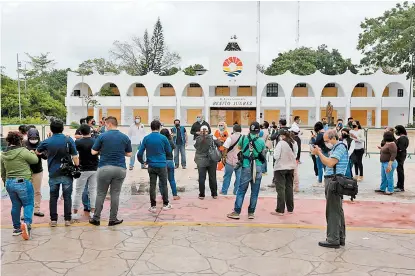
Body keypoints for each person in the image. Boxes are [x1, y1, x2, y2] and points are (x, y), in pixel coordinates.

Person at [89, 116, 132, 226]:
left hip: (105, 168)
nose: (104, 126)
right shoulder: (125, 137)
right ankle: (113, 219)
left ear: (109, 124)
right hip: (120, 168)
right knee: (115, 194)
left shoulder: (102, 136)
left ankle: (96, 218)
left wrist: (103, 151)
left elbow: (93, 152)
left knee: (101, 194)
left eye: (105, 124)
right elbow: (129, 154)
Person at [36, 119, 79, 227]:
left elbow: (37, 151)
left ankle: (54, 220)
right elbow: (75, 156)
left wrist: (46, 153)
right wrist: (77, 166)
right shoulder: (69, 140)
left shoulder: (47, 141)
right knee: (67, 196)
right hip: (67, 172)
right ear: (62, 128)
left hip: (53, 173)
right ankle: (67, 220)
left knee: (53, 196)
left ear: (51, 129)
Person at [311, 129, 349, 248]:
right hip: (335, 179)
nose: (326, 143)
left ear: (333, 138)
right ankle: (340, 237)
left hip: (333, 180)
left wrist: (319, 154)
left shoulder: (340, 147)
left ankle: (333, 239)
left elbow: (330, 163)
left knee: (332, 210)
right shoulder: (337, 147)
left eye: (327, 141)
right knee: (337, 210)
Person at [1, 131, 38, 240]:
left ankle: (16, 228)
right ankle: (26, 224)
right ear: (20, 140)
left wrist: (5, 182)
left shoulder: (3, 154)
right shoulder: (23, 151)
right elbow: (35, 160)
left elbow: (2, 171)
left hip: (9, 182)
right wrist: (31, 153)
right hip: (23, 182)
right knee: (28, 204)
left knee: (15, 205)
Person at [227, 122, 265, 220]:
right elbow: (263, 152)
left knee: (241, 191)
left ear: (249, 130)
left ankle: (236, 212)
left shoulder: (243, 138)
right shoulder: (261, 141)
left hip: (246, 166)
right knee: (255, 192)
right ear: (258, 131)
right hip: (258, 167)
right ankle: (251, 213)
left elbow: (239, 148)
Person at [137, 120, 172, 212]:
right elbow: (169, 151)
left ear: (151, 127)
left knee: (152, 185)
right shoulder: (163, 138)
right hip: (161, 164)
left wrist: (143, 162)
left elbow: (139, 153)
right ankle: (166, 204)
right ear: (159, 127)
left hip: (151, 165)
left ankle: (153, 206)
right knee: (164, 184)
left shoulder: (146, 138)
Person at [72, 124, 99, 220]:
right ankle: (92, 212)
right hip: (95, 168)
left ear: (80, 132)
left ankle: (75, 212)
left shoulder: (78, 142)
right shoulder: (95, 141)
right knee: (93, 190)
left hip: (83, 168)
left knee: (78, 191)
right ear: (90, 131)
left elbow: (74, 154)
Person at [272, 129, 298, 216]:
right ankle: (290, 208)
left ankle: (280, 210)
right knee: (289, 187)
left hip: (280, 168)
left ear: (282, 136)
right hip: (291, 168)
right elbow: (295, 155)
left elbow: (276, 156)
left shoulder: (280, 143)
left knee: (281, 189)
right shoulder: (294, 143)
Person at [24, 127, 47, 217]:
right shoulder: (24, 144)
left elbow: (46, 156)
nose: (33, 140)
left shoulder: (41, 144)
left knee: (37, 191)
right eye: (32, 139)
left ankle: (37, 209)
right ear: (28, 137)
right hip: (26, 171)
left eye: (35, 139)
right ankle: (26, 212)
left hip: (37, 171)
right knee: (25, 192)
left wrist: (40, 154)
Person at [194, 125, 220, 199]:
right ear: (208, 131)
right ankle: (214, 194)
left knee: (201, 178)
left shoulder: (198, 139)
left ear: (200, 131)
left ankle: (202, 195)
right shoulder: (212, 137)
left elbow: (195, 146)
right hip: (211, 160)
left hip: (201, 161)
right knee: (212, 177)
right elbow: (219, 144)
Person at [220, 124, 242, 195]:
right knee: (238, 177)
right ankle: (236, 191)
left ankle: (224, 191)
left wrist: (224, 157)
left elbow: (225, 148)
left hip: (229, 160)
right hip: (239, 161)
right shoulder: (244, 138)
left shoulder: (230, 137)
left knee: (227, 176)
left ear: (234, 130)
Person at [160, 129, 180, 200]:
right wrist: (171, 138)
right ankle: (175, 195)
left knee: (161, 180)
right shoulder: (170, 141)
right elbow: (174, 147)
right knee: (171, 179)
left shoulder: (160, 141)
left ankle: (163, 195)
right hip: (170, 161)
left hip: (162, 162)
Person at [313, 122, 329, 186]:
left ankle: (319, 181)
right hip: (326, 152)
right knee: (326, 167)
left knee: (319, 167)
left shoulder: (320, 134)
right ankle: (327, 181)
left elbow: (316, 143)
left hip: (320, 152)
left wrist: (313, 138)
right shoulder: (326, 133)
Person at [394, 125, 409, 192]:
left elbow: (400, 148)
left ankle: (401, 187)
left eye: (397, 130)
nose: (396, 131)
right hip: (400, 156)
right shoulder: (402, 138)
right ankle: (398, 185)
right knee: (399, 171)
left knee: (400, 171)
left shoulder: (403, 138)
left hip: (400, 156)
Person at [289, 125, 301, 192]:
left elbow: (298, 150)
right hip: (295, 157)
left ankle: (296, 186)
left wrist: (297, 158)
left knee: (295, 173)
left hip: (294, 158)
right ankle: (295, 186)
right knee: (294, 172)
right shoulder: (297, 139)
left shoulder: (295, 140)